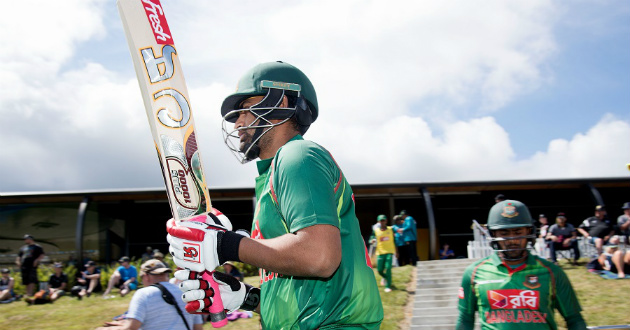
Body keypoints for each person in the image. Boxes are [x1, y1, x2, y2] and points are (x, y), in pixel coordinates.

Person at [166, 61, 384, 329]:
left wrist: (226, 245)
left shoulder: (297, 156)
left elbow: (319, 258)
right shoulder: (271, 176)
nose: (237, 124)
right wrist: (246, 297)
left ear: (278, 103)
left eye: (244, 111)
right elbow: (300, 291)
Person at [456, 199, 587, 330]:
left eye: (518, 232)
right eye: (504, 233)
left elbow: (574, 319)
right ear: (493, 234)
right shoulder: (474, 273)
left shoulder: (552, 272)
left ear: (529, 232)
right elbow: (465, 320)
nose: (512, 240)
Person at [96, 259, 203, 330]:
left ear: (146, 276)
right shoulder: (187, 294)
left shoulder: (143, 293)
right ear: (166, 274)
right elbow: (198, 327)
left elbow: (131, 327)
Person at [370, 215, 395, 292]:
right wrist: (372, 241)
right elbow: (371, 238)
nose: (382, 222)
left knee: (388, 268)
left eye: (383, 220)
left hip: (389, 252)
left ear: (386, 221)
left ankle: (388, 286)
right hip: (380, 252)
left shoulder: (391, 229)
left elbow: (395, 240)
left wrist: (396, 251)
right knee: (379, 270)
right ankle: (385, 277)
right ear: (378, 222)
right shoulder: (376, 231)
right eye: (381, 221)